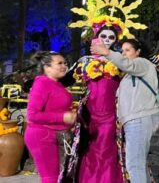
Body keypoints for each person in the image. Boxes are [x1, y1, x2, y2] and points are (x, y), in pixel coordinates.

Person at [62, 25, 126, 183]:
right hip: (89, 116)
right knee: (88, 149)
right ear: (96, 37)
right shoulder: (84, 61)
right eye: (104, 36)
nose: (107, 40)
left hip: (113, 114)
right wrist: (43, 81)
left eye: (111, 37)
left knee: (108, 149)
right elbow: (66, 80)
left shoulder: (120, 61)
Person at [92, 38, 159, 183]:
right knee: (139, 164)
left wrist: (106, 52)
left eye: (128, 50)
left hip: (140, 119)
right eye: (122, 51)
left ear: (138, 52)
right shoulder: (131, 73)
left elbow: (126, 64)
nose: (123, 53)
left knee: (134, 165)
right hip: (136, 120)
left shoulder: (143, 63)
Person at [24, 52, 75, 183]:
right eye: (60, 63)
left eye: (65, 63)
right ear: (47, 67)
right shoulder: (42, 83)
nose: (64, 66)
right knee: (50, 178)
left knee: (59, 177)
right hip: (42, 135)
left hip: (55, 134)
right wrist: (62, 117)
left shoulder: (56, 83)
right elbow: (32, 115)